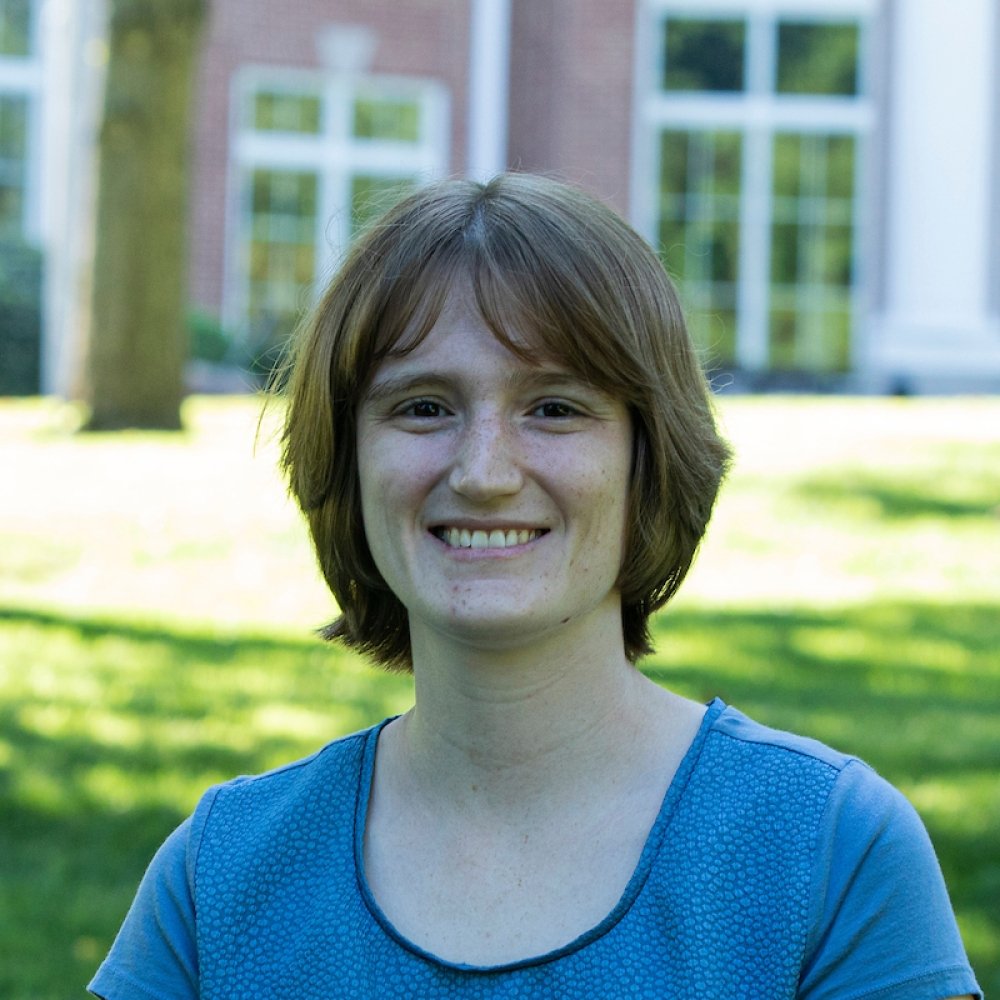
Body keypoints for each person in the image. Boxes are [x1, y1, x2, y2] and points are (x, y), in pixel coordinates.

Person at [89, 173, 982, 999]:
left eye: (554, 407)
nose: (483, 472)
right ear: (346, 458)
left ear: (648, 458)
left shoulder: (827, 852)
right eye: (423, 407)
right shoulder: (223, 878)